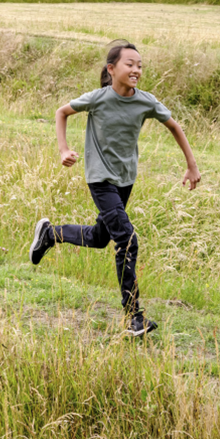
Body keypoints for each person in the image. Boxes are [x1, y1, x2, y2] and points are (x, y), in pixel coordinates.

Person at [29, 40, 201, 337]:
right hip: (100, 179)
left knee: (99, 238)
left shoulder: (146, 101)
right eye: (129, 64)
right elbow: (61, 112)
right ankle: (134, 316)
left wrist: (192, 165)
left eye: (139, 66)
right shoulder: (98, 98)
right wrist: (63, 149)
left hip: (125, 180)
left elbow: (174, 126)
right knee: (127, 239)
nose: (136, 69)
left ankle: (51, 233)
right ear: (112, 69)